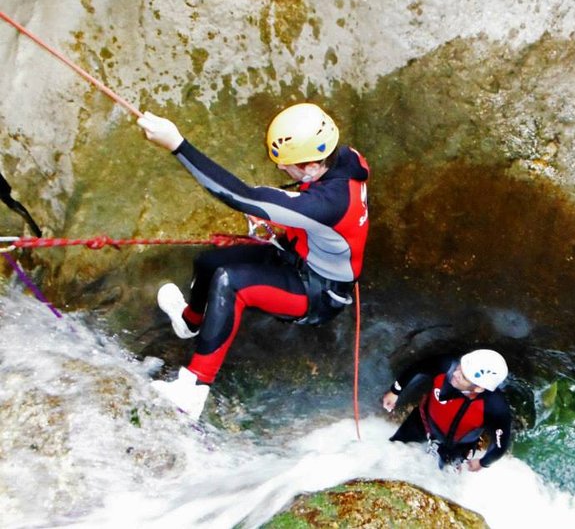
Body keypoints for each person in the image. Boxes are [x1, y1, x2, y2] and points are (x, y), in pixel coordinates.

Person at [137, 103, 370, 419]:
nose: (282, 170)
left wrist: (177, 144)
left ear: (314, 166)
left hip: (317, 292)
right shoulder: (346, 159)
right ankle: (190, 323)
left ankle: (192, 389)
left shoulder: (330, 203)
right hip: (294, 253)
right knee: (209, 264)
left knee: (230, 283)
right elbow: (309, 208)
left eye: (287, 165)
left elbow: (241, 197)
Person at [382, 349, 512, 472]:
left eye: (463, 376)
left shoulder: (495, 408)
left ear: (478, 388)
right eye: (459, 367)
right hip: (422, 423)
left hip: (457, 446)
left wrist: (483, 462)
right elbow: (418, 367)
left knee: (441, 478)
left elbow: (500, 445)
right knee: (392, 452)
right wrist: (395, 391)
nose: (455, 373)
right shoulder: (446, 366)